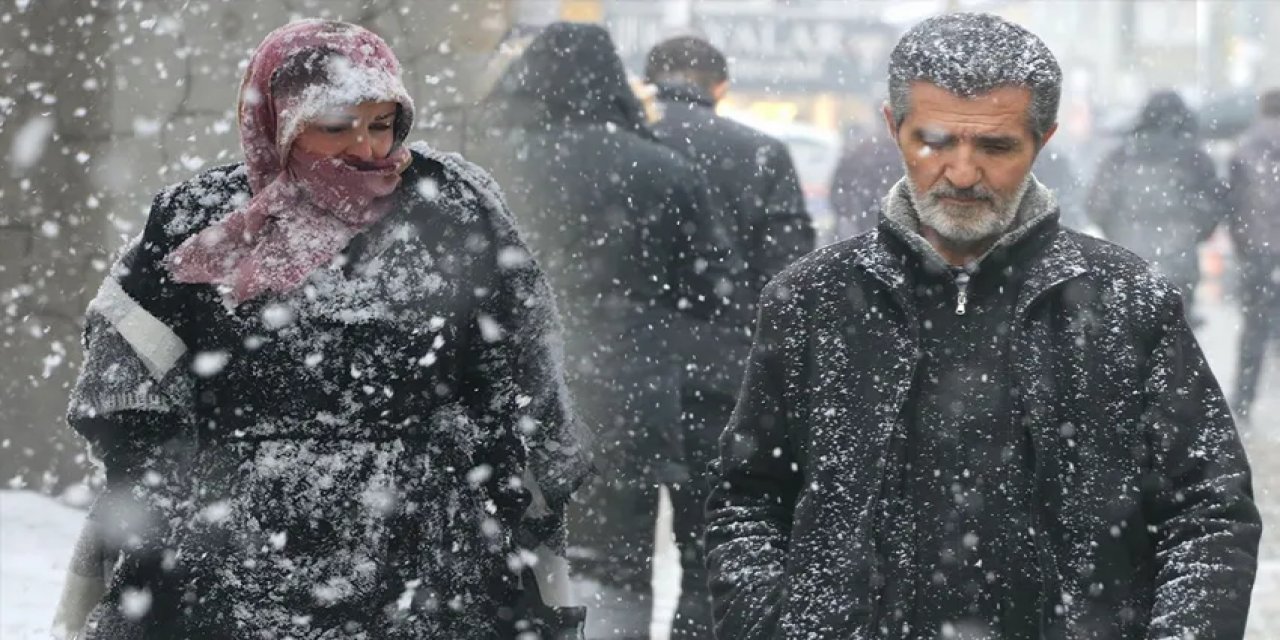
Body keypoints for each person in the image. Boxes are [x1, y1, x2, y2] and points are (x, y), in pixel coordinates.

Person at [705, 13, 1261, 640]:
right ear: (894, 128)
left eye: (995, 146)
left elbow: (1208, 514)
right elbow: (747, 502)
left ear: (1042, 140)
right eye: (934, 141)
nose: (963, 173)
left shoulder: (1125, 302)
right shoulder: (813, 300)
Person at [58, 20, 591, 639]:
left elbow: (522, 381)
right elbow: (128, 391)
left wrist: (500, 506)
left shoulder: (452, 211)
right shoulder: (198, 220)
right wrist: (174, 501)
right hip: (229, 565)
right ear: (278, 121)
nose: (364, 150)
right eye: (335, 127)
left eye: (381, 124)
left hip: (427, 560)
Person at [471, 22, 732, 640]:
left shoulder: (491, 165)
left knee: (527, 564)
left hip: (522, 396)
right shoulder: (662, 169)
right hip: (633, 392)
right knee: (620, 568)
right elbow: (712, 288)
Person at [642, 34, 814, 639]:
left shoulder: (632, 149)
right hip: (724, 374)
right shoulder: (762, 153)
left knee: (612, 563)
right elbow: (790, 275)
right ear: (720, 87)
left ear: (648, 81)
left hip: (625, 375)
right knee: (707, 549)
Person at [1086, 90, 1225, 319]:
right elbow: (1211, 210)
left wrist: (1118, 234)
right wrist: (1189, 236)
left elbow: (1096, 206)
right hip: (1178, 263)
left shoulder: (1120, 157)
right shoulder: (1195, 159)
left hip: (1126, 261)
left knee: (1126, 337)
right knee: (1174, 337)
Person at [1226, 88, 1280, 422]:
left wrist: (1242, 241)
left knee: (1255, 325)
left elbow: (1232, 203)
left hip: (1257, 250)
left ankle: (1244, 397)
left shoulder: (1244, 149)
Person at [829, 121, 901, 239]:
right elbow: (840, 188)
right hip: (867, 222)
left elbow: (840, 188)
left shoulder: (862, 150)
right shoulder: (862, 150)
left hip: (871, 222)